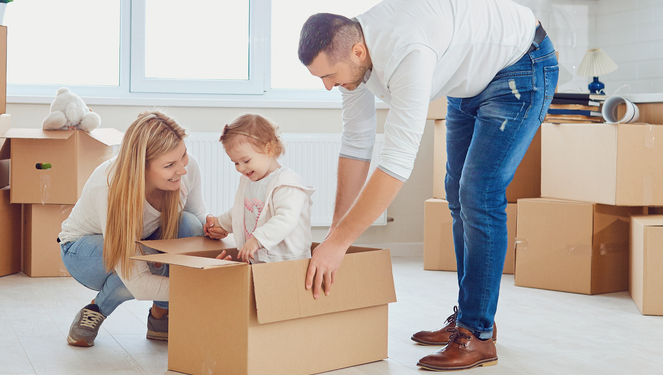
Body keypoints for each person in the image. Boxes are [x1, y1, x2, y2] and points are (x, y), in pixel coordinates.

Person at [296, 0, 557, 371]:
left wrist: (339, 245)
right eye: (320, 78)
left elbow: (398, 162)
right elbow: (357, 145)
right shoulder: (352, 58)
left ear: (358, 51)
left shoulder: (407, 51)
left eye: (329, 76)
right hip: (470, 80)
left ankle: (477, 335)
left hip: (521, 65)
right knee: (457, 194)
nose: (327, 86)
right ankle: (473, 315)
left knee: (478, 194)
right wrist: (335, 236)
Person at [57, 111, 207, 347]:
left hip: (143, 243)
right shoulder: (110, 186)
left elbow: (197, 224)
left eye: (184, 155)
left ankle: (161, 314)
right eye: (169, 165)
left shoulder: (185, 171)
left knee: (189, 225)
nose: (183, 170)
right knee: (148, 260)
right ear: (142, 168)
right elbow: (138, 281)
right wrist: (205, 288)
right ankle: (97, 308)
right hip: (85, 250)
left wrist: (217, 234)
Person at [203, 114, 315, 263]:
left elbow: (286, 219)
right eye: (235, 163)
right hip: (260, 260)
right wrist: (220, 224)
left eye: (246, 160)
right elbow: (241, 211)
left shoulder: (285, 183)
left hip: (289, 260)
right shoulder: (249, 182)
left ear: (268, 149)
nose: (240, 168)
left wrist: (257, 240)